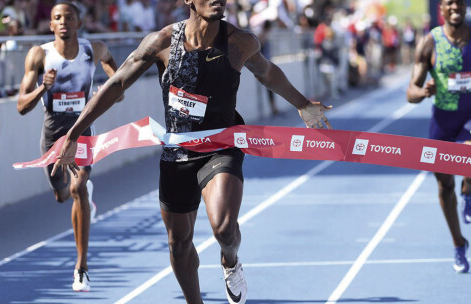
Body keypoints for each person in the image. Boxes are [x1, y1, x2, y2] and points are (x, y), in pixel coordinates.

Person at [52, 0, 331, 302]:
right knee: (178, 243)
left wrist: (303, 104)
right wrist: (75, 132)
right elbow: (118, 82)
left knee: (224, 228)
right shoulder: (161, 42)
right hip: (177, 151)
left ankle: (230, 259)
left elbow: (267, 72)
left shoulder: (239, 42)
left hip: (221, 145)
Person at [16, 1, 121, 292]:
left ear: (78, 22)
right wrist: (42, 87)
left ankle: (81, 268)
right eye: (57, 18)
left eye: (69, 17)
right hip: (52, 135)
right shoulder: (39, 55)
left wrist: (109, 91)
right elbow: (21, 106)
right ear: (50, 25)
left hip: (82, 131)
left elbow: (119, 79)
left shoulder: (93, 50)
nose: (64, 22)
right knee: (63, 195)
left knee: (77, 189)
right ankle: (82, 194)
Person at [406, 0, 471, 274]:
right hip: (443, 120)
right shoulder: (429, 42)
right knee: (444, 186)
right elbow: (411, 92)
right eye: (449, 2)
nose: (455, 6)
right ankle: (459, 243)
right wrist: (424, 92)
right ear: (441, 9)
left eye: (460, 1)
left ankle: (468, 192)